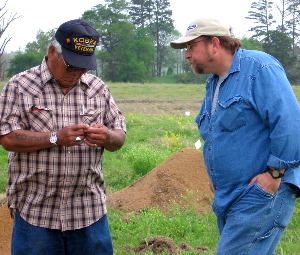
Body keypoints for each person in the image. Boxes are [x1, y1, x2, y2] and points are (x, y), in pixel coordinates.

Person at [170, 18, 300, 255]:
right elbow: (216, 133)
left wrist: (274, 174)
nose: (186, 55)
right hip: (229, 195)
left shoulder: (259, 68)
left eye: (191, 46)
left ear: (215, 44)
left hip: (260, 194)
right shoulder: (215, 81)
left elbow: (290, 122)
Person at [0, 19, 126, 255]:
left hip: (89, 212)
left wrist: (107, 136)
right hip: (36, 213)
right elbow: (7, 138)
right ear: (51, 52)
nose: (77, 73)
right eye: (71, 66)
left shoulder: (98, 89)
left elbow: (120, 137)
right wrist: (55, 137)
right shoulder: (20, 86)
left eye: (84, 67)